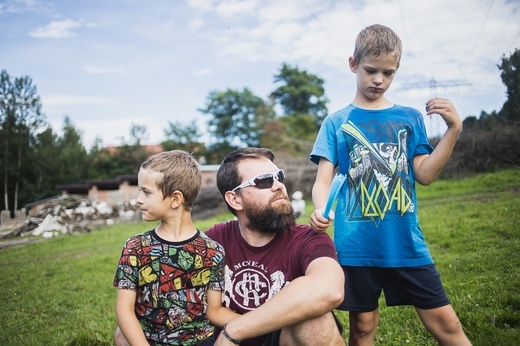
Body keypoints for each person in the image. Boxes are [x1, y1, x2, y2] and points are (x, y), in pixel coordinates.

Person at [309, 24, 471, 346]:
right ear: (353, 64)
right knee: (364, 327)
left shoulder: (410, 118)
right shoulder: (336, 122)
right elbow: (323, 181)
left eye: (388, 72)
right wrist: (319, 207)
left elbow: (424, 174)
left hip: (405, 243)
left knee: (446, 323)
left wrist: (453, 131)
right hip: (356, 247)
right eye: (370, 70)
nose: (378, 80)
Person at [205, 147, 345, 346]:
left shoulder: (309, 239)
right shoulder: (213, 241)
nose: (279, 185)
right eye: (264, 180)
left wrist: (235, 331)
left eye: (279, 176)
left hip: (279, 340)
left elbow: (329, 289)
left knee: (315, 319)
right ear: (235, 199)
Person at [113, 150, 238, 346]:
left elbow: (213, 311)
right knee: (121, 336)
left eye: (146, 192)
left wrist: (260, 321)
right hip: (147, 341)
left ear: (175, 199)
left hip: (198, 342)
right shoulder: (135, 247)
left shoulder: (213, 252)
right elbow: (124, 309)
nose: (138, 199)